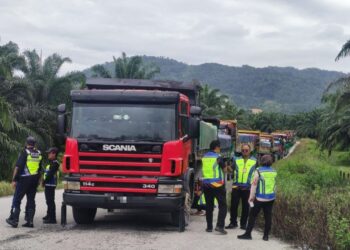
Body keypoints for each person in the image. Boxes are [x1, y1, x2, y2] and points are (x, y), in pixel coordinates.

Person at [238, 154, 277, 241]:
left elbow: (254, 185)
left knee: (252, 215)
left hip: (260, 198)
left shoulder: (258, 171)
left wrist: (251, 197)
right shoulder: (274, 171)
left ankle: (248, 234)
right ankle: (266, 236)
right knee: (268, 216)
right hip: (271, 197)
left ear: (261, 161)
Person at [6, 136, 42, 228]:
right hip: (34, 180)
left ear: (26, 143)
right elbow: (39, 169)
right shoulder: (39, 153)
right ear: (34, 144)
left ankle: (14, 220)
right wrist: (39, 180)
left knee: (17, 199)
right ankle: (30, 222)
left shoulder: (25, 152)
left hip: (24, 179)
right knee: (31, 200)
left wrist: (14, 180)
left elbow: (18, 167)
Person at [226, 144, 257, 230]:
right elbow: (231, 170)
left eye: (246, 150)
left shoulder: (255, 161)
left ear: (250, 151)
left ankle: (243, 224)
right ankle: (233, 223)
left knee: (245, 207)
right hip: (236, 186)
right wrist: (227, 167)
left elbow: (257, 174)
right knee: (233, 206)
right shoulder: (237, 160)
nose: (244, 152)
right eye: (243, 150)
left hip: (247, 187)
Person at [201, 140, 227, 235]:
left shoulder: (204, 157)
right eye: (219, 147)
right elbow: (224, 170)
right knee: (223, 205)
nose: (220, 149)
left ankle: (209, 227)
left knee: (209, 206)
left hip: (206, 184)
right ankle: (220, 226)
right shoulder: (218, 157)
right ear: (216, 147)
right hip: (217, 185)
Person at [42, 147, 60, 224]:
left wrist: (44, 182)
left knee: (50, 201)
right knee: (48, 201)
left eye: (49, 153)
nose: (48, 154)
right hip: (48, 184)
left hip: (50, 184)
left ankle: (52, 218)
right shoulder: (52, 162)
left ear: (54, 154)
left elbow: (50, 174)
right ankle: (49, 215)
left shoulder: (55, 163)